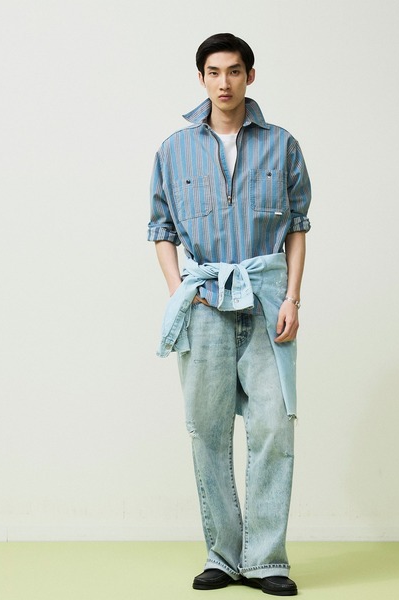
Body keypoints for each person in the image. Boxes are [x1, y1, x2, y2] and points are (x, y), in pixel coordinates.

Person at [148, 33, 311, 596]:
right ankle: (222, 554)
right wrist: (180, 292)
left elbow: (297, 227)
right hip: (205, 306)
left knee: (273, 428)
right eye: (214, 72)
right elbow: (161, 228)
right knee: (208, 432)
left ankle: (266, 561)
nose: (224, 82)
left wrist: (292, 298)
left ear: (250, 76)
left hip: (266, 303)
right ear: (201, 78)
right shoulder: (174, 150)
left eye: (234, 71)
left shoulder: (282, 145)